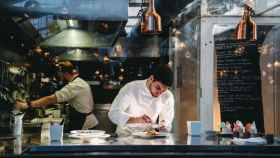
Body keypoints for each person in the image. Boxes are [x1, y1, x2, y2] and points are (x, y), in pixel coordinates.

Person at [15, 61, 98, 131]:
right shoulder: (78, 82)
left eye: (59, 74)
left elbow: (52, 98)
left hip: (85, 125)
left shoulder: (75, 85)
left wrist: (28, 105)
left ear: (64, 73)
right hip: (82, 121)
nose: (59, 77)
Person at [108, 64, 174, 135]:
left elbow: (167, 121)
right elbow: (113, 113)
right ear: (151, 78)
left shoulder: (167, 96)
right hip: (125, 138)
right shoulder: (131, 88)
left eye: (163, 91)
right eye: (158, 88)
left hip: (149, 138)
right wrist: (135, 120)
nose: (159, 93)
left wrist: (163, 126)